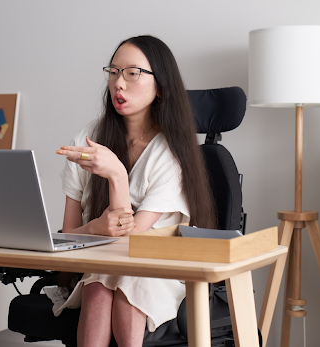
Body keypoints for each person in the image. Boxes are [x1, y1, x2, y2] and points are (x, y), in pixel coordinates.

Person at [52, 35, 217, 347]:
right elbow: (68, 237)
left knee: (129, 282)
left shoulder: (171, 152)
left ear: (160, 85)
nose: (119, 84)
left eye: (133, 73)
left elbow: (131, 244)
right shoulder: (88, 138)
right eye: (113, 72)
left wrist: (116, 174)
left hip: (157, 269)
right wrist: (95, 228)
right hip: (99, 265)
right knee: (99, 284)